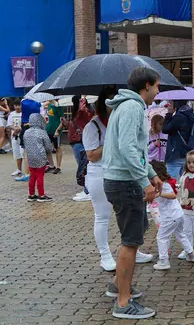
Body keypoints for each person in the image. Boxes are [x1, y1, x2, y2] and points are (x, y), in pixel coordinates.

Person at [101, 67, 163, 320]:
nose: (158, 92)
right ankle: (123, 303)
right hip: (124, 182)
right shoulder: (132, 107)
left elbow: (135, 151)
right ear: (146, 85)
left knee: (133, 235)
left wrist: (151, 173)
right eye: (157, 86)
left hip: (122, 180)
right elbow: (128, 149)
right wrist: (144, 181)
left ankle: (118, 285)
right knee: (131, 241)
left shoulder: (126, 106)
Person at [84, 88, 119, 271]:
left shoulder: (119, 122)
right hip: (99, 173)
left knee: (126, 213)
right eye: (111, 102)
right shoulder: (93, 126)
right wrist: (112, 142)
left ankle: (131, 250)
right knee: (102, 216)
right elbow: (91, 155)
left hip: (118, 172)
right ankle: (104, 255)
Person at [151, 160, 194, 270]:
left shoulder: (163, 184)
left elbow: (172, 195)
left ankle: (163, 261)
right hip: (178, 215)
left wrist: (159, 194)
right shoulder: (162, 183)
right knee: (180, 234)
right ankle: (191, 254)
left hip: (170, 216)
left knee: (162, 237)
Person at [162, 100, 194, 180]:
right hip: (187, 151)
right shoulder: (190, 115)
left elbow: (165, 129)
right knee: (186, 183)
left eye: (172, 102)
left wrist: (169, 114)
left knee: (170, 183)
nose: (170, 104)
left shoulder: (179, 117)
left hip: (176, 153)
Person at [23, 113, 54, 202]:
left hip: (30, 157)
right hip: (40, 156)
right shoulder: (42, 132)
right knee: (40, 176)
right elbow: (48, 147)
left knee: (32, 176)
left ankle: (31, 194)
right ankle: (41, 195)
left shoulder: (26, 132)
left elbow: (25, 144)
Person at [70, 96, 94, 201]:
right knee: (83, 166)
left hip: (79, 142)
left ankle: (88, 191)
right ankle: (86, 189)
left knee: (84, 167)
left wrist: (82, 105)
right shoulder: (79, 113)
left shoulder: (82, 112)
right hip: (77, 142)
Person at [45, 99, 63, 174]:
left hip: (56, 131)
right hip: (48, 130)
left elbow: (62, 120)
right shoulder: (49, 105)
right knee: (47, 148)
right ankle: (51, 165)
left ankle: (58, 167)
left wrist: (57, 130)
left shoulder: (59, 106)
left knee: (57, 148)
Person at [7, 101, 24, 177]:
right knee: (17, 153)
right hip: (14, 135)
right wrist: (15, 129)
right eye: (16, 105)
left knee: (23, 152)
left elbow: (25, 124)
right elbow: (9, 124)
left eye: (19, 105)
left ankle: (28, 170)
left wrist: (19, 129)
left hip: (22, 135)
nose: (18, 107)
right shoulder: (12, 114)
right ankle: (19, 169)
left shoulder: (24, 114)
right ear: (14, 106)